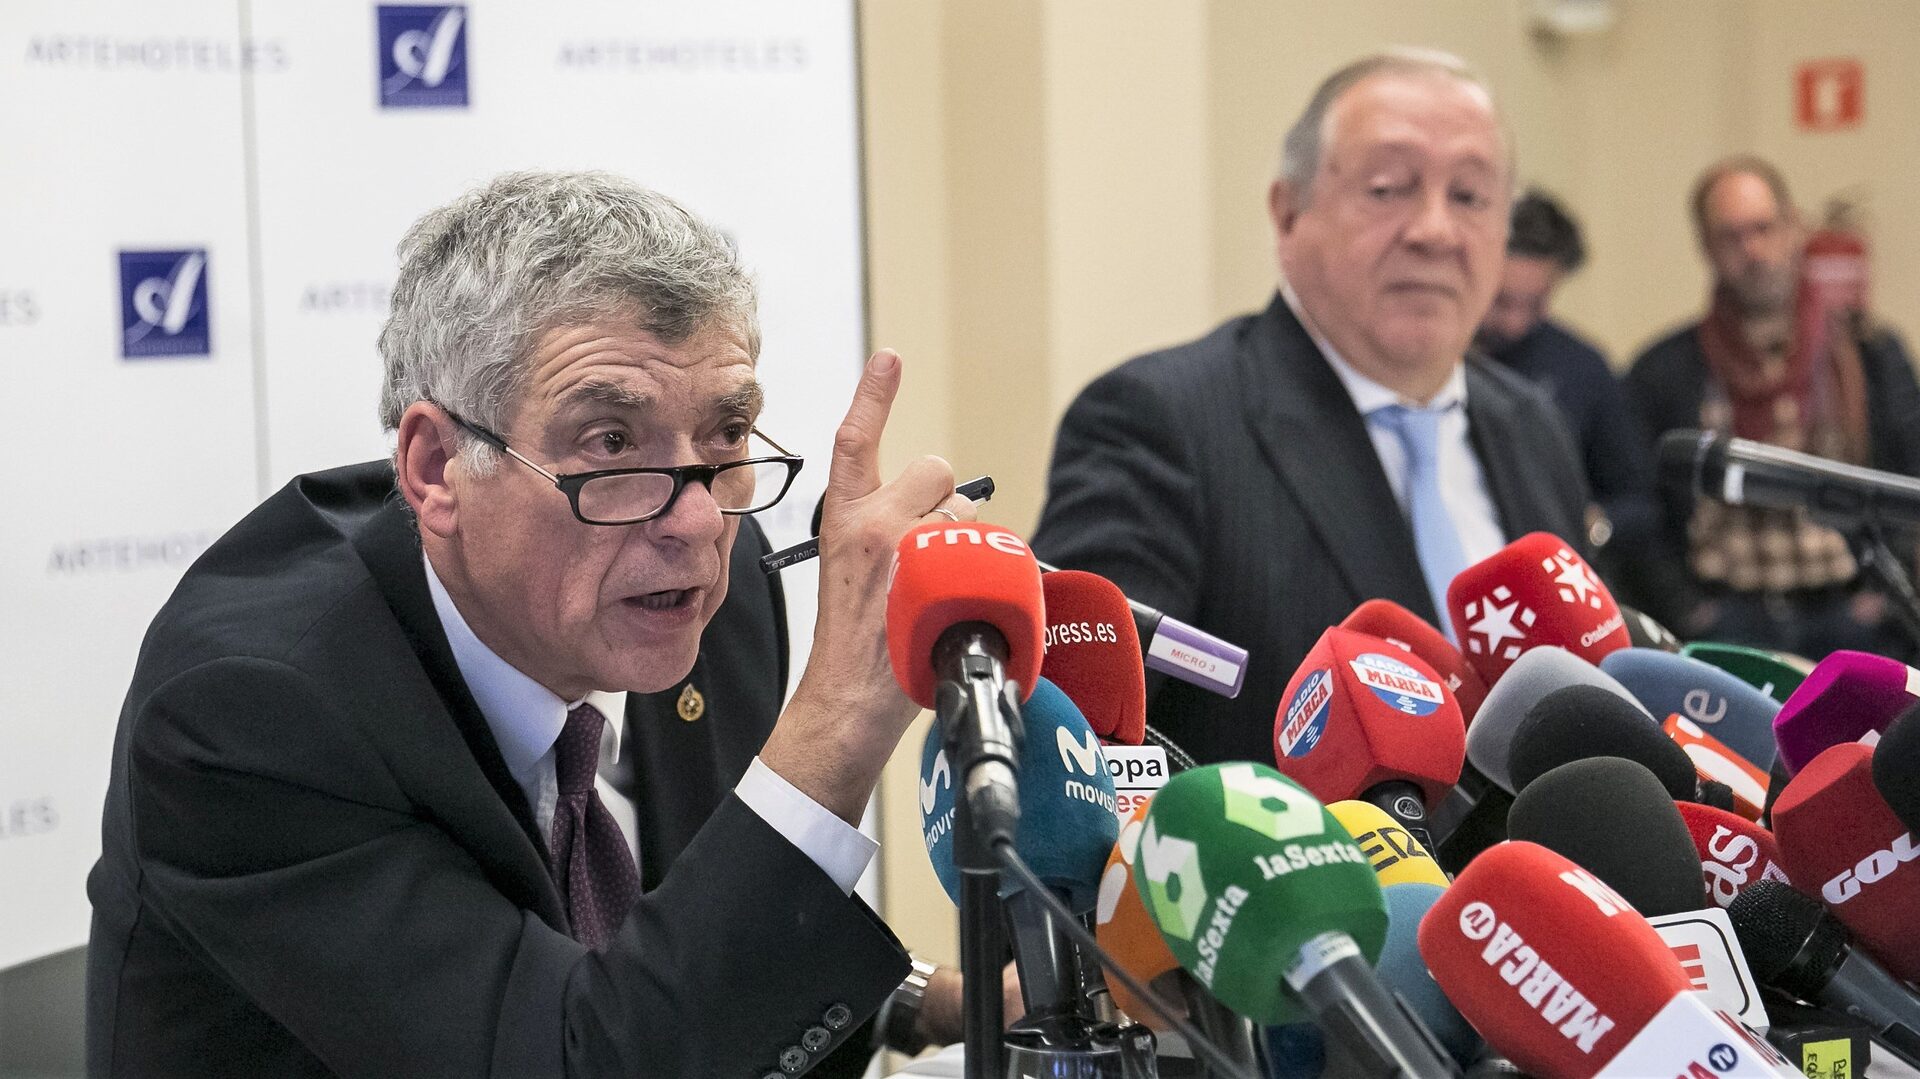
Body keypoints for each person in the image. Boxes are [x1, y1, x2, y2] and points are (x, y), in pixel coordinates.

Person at [85, 170, 977, 1077]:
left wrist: (939, 1001)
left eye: (725, 433)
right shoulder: (253, 713)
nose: (699, 520)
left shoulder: (706, 594)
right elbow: (575, 1056)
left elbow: (699, 963)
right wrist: (837, 725)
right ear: (437, 468)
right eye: (611, 443)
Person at [1032, 50, 1588, 766]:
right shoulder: (1161, 422)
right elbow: (1069, 737)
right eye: (1388, 189)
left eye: (1471, 196)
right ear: (1288, 211)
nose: (1435, 231)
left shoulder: (1533, 426)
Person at [1626, 157, 1920, 657]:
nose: (1752, 250)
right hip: (1728, 618)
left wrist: (1884, 595)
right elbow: (1639, 503)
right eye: (1731, 236)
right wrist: (1688, 608)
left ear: (1794, 227)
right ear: (1706, 248)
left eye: (1763, 228)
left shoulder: (1867, 353)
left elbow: (1909, 472)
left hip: (1851, 615)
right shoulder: (1664, 371)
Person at [1474, 190, 1663, 609]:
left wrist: (1588, 526)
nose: (1514, 323)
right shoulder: (1436, 362)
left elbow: (1640, 501)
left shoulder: (1582, 367)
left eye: (1535, 304)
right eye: (1500, 300)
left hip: (1553, 590)